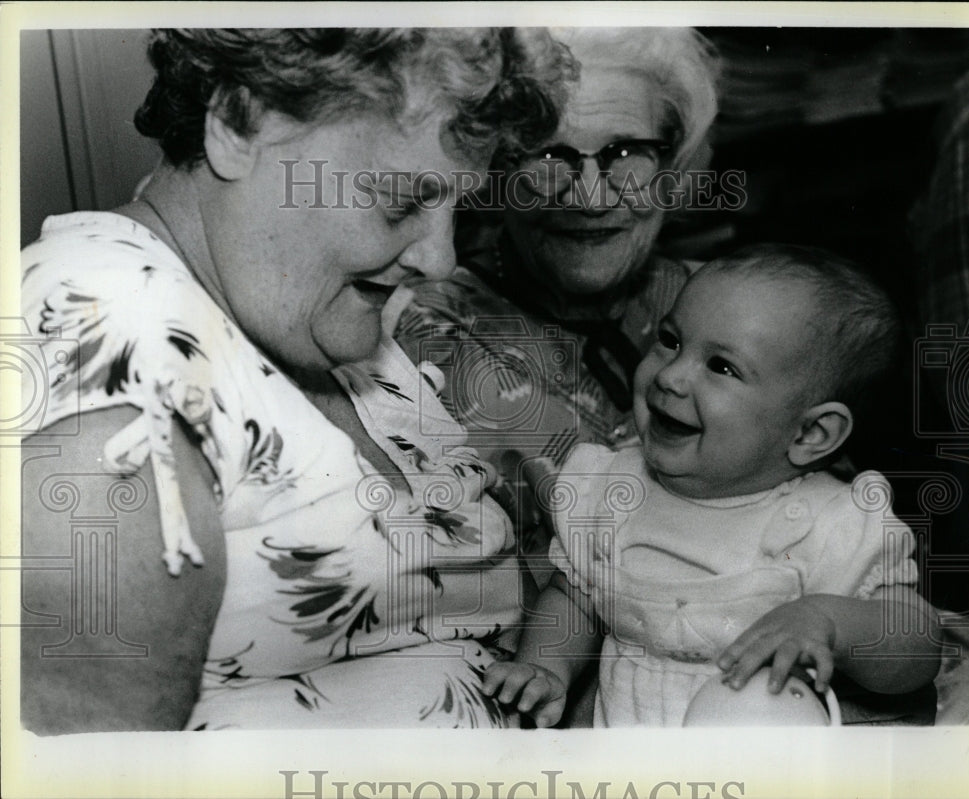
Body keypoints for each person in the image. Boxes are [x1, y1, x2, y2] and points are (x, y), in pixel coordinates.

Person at [19, 27, 576, 732]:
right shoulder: (104, 335)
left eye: (458, 208)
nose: (439, 258)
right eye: (401, 201)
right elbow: (92, 765)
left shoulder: (301, 304)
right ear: (239, 122)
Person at [482, 244, 943, 727]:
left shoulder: (828, 522)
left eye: (721, 366)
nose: (672, 376)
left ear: (810, 434)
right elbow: (576, 596)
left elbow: (918, 643)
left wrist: (830, 623)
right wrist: (545, 665)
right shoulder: (614, 489)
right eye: (670, 339)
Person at [394, 28, 720, 542]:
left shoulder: (727, 298)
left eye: (627, 151)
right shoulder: (426, 334)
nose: (590, 198)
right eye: (548, 158)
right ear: (494, 171)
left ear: (672, 164)